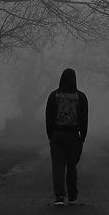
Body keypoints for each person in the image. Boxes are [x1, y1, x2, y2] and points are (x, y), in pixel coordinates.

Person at [45, 67, 89, 205]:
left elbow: (48, 117)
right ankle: (72, 196)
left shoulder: (53, 96)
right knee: (71, 166)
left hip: (57, 135)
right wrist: (83, 136)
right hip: (74, 136)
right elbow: (84, 118)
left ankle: (59, 196)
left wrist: (50, 135)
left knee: (58, 166)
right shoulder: (81, 97)